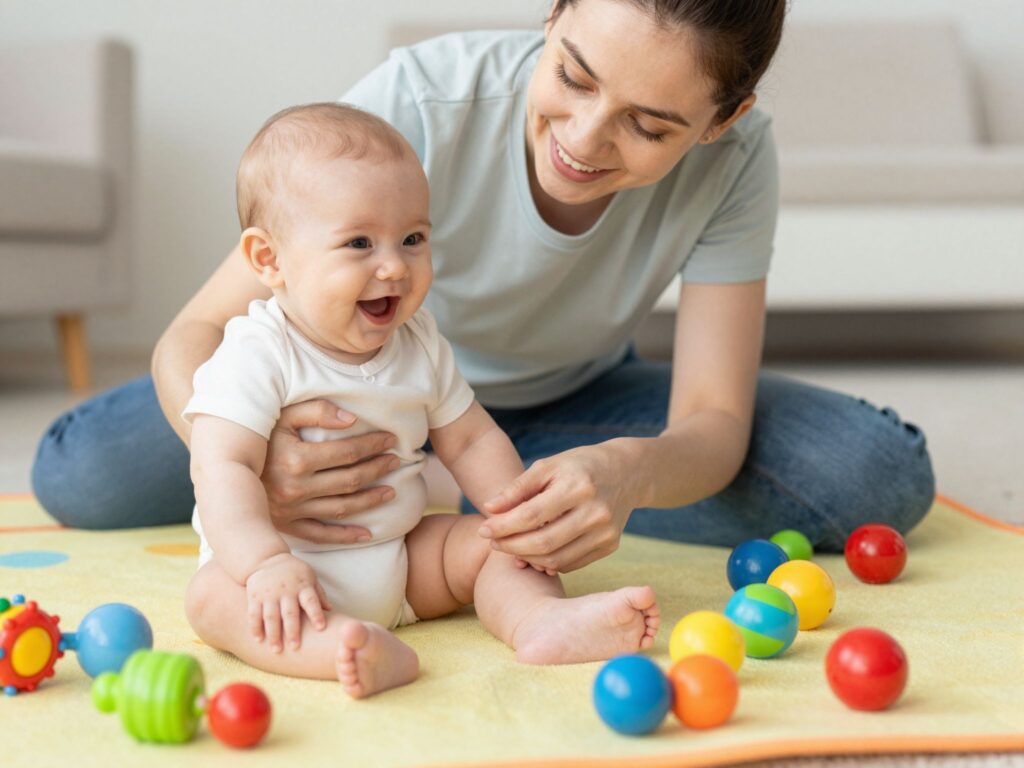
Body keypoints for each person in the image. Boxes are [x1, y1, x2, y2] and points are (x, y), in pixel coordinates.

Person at [32, 0, 935, 575]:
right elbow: (191, 335)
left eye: (649, 127)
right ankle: (447, 487)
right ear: (553, 14)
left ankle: (475, 489)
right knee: (85, 473)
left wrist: (627, 472)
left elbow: (712, 419)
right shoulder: (422, 101)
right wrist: (248, 457)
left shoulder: (740, 160)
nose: (583, 139)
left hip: (567, 400)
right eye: (573, 76)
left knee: (874, 471)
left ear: (720, 122)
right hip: (336, 402)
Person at [184, 102, 659, 697]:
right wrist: (263, 564)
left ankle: (540, 621)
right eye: (359, 243)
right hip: (285, 570)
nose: (394, 266)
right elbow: (220, 465)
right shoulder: (258, 350)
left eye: (412, 238)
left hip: (405, 563)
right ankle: (337, 649)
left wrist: (513, 516)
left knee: (488, 549)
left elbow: (470, 437)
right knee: (210, 601)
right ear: (269, 259)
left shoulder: (420, 343)